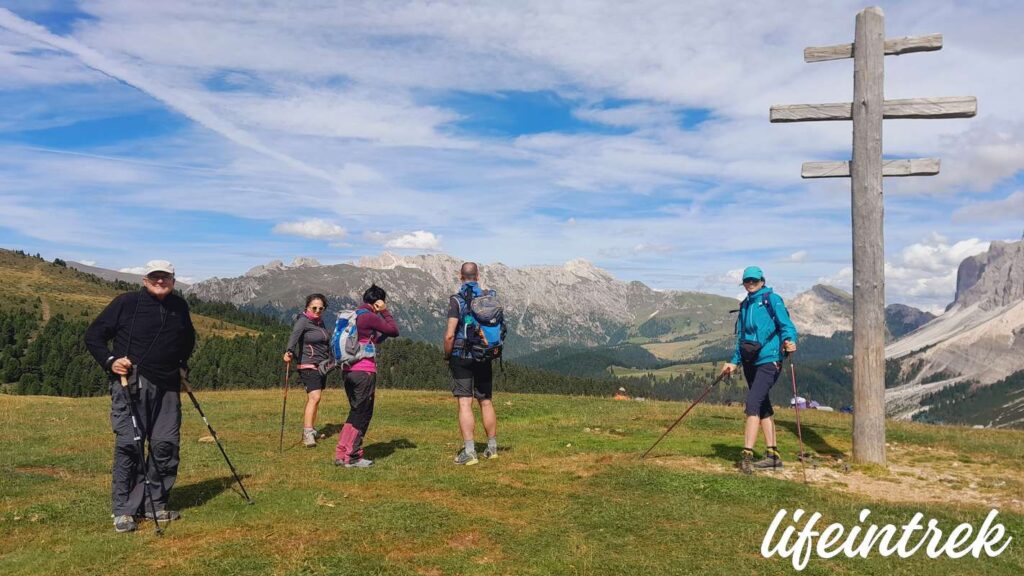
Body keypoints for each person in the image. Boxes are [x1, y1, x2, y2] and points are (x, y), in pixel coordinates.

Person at [85, 260, 196, 533]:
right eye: (155, 276)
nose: (160, 281)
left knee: (166, 445)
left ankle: (154, 504)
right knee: (130, 445)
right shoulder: (126, 303)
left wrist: (182, 365)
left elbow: (188, 339)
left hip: (169, 384)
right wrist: (111, 361)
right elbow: (94, 336)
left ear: (173, 278)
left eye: (166, 276)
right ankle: (124, 510)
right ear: (145, 279)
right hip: (132, 382)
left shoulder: (180, 306)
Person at [719, 266, 798, 474]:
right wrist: (733, 362)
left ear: (762, 280)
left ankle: (747, 455)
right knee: (762, 405)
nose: (751, 283)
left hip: (770, 359)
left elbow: (786, 325)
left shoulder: (772, 299)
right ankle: (773, 456)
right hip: (749, 361)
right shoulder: (745, 304)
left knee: (753, 403)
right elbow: (741, 339)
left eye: (754, 280)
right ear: (743, 283)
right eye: (747, 281)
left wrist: (790, 341)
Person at [334, 284, 399, 468]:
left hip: (348, 370)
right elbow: (394, 330)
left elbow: (375, 339)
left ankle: (341, 453)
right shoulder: (370, 316)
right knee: (363, 414)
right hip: (364, 370)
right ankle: (353, 456)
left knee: (355, 411)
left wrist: (382, 330)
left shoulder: (354, 317)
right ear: (378, 301)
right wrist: (385, 313)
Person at [444, 262, 499, 466]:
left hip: (462, 355)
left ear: (461, 276)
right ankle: (491, 448)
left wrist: (447, 355)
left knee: (465, 402)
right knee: (485, 401)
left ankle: (470, 452)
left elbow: (450, 335)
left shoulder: (456, 301)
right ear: (477, 276)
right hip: (484, 355)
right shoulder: (488, 297)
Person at [284, 294, 332, 447]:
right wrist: (289, 351)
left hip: (321, 365)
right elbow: (294, 336)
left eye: (321, 308)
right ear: (307, 307)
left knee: (316, 399)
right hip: (307, 364)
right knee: (314, 397)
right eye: (314, 308)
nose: (317, 310)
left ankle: (311, 429)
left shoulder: (320, 322)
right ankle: (307, 434)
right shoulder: (303, 321)